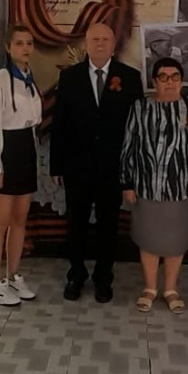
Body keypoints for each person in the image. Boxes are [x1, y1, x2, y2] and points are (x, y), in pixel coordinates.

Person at [51, 23, 144, 303]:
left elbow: (137, 126)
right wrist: (56, 165)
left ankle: (104, 277)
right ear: (86, 44)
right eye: (95, 39)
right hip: (76, 165)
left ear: (114, 45)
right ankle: (76, 275)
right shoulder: (70, 77)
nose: (100, 43)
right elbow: (59, 123)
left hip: (113, 167)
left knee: (108, 225)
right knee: (76, 224)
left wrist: (133, 167)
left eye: (105, 39)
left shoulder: (130, 77)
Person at [121, 58, 188, 314]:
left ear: (181, 81)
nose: (169, 82)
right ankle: (150, 288)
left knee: (175, 240)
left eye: (175, 77)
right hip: (146, 187)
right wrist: (127, 183)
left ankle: (171, 289)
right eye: (163, 77)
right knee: (148, 239)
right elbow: (128, 146)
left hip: (183, 188)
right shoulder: (140, 107)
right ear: (154, 81)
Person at [0, 25, 42, 307]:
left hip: (25, 149)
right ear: (8, 47)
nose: (25, 48)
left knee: (20, 219)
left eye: (29, 43)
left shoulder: (29, 77)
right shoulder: (1, 79)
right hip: (5, 150)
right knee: (0, 222)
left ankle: (13, 275)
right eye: (19, 43)